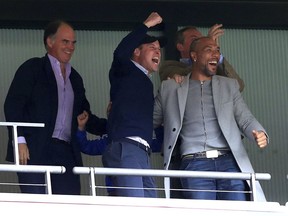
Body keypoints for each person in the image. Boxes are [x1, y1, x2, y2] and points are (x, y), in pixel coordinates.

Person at [153, 36, 268, 201]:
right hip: (194, 164)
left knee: (238, 212)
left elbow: (246, 118)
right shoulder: (171, 87)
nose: (215, 54)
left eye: (217, 50)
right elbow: (149, 119)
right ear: (194, 56)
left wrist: (259, 133)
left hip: (229, 162)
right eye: (209, 50)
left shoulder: (229, 85)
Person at [4, 20, 107, 195]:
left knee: (68, 206)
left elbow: (85, 115)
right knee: (37, 205)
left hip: (66, 152)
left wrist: (116, 126)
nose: (71, 47)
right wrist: (19, 139)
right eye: (65, 41)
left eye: (73, 42)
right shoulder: (33, 68)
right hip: (34, 149)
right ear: (49, 42)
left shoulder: (75, 78)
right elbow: (13, 104)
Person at [102, 12, 166, 197]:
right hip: (126, 147)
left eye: (159, 49)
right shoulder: (125, 69)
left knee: (149, 205)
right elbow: (120, 52)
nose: (158, 51)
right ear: (136, 51)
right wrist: (146, 24)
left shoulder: (146, 81)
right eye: (152, 47)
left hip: (141, 152)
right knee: (135, 206)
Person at [77, 111, 163, 196]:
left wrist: (157, 121)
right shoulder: (110, 139)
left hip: (142, 189)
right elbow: (86, 147)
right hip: (115, 191)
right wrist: (81, 127)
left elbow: (161, 144)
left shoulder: (140, 138)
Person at [159, 24, 244, 92]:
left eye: (202, 39)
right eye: (195, 39)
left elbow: (238, 86)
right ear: (180, 47)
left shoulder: (215, 66)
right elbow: (186, 82)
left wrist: (215, 54)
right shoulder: (169, 66)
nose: (201, 42)